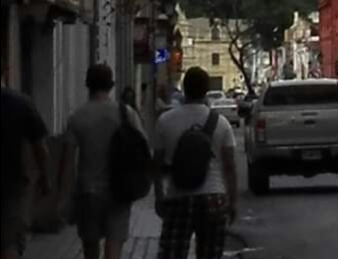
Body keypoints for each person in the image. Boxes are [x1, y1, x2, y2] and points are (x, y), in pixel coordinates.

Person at [59, 63, 146, 259]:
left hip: (88, 192)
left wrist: (64, 198)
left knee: (90, 246)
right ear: (111, 85)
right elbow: (143, 147)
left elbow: (68, 162)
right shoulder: (126, 113)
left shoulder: (77, 117)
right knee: (114, 243)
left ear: (87, 84)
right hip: (119, 189)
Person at [154, 65, 237, 259]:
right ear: (207, 90)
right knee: (210, 254)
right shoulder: (221, 123)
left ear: (184, 88)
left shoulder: (165, 120)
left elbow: (156, 165)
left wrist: (159, 196)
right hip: (213, 196)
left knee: (172, 253)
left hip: (178, 197)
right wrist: (232, 202)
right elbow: (229, 166)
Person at [1, 70, 51, 259]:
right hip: (11, 183)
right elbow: (40, 147)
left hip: (13, 184)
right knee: (9, 240)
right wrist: (45, 178)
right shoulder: (21, 103)